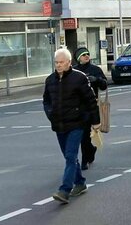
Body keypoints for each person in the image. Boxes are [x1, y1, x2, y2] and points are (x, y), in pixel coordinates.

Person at [43, 48, 100, 204]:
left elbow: (90, 100)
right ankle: (80, 183)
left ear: (69, 62)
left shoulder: (79, 78)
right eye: (56, 62)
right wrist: (50, 113)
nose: (58, 65)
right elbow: (46, 100)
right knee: (70, 157)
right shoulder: (50, 80)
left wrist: (95, 121)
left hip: (76, 124)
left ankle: (64, 190)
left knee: (70, 156)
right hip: (59, 125)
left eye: (61, 62)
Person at [73, 47, 108, 170]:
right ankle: (91, 150)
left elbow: (104, 85)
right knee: (82, 136)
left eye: (88, 54)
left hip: (91, 106)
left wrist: (97, 80)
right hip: (77, 108)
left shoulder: (95, 69)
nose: (87, 56)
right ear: (78, 58)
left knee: (85, 136)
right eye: (83, 55)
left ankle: (84, 161)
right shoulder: (74, 71)